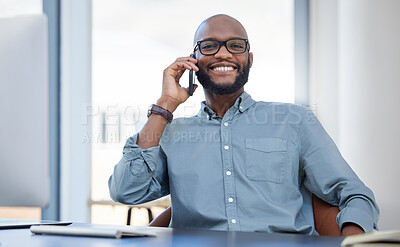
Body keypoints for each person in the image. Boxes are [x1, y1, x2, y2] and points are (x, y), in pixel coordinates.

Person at [108, 14, 379, 236]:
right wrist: (165, 104)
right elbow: (126, 191)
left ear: (249, 59)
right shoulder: (173, 133)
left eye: (235, 45)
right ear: (193, 62)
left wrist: (351, 243)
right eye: (209, 45)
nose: (223, 54)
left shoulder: (294, 121)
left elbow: (355, 194)